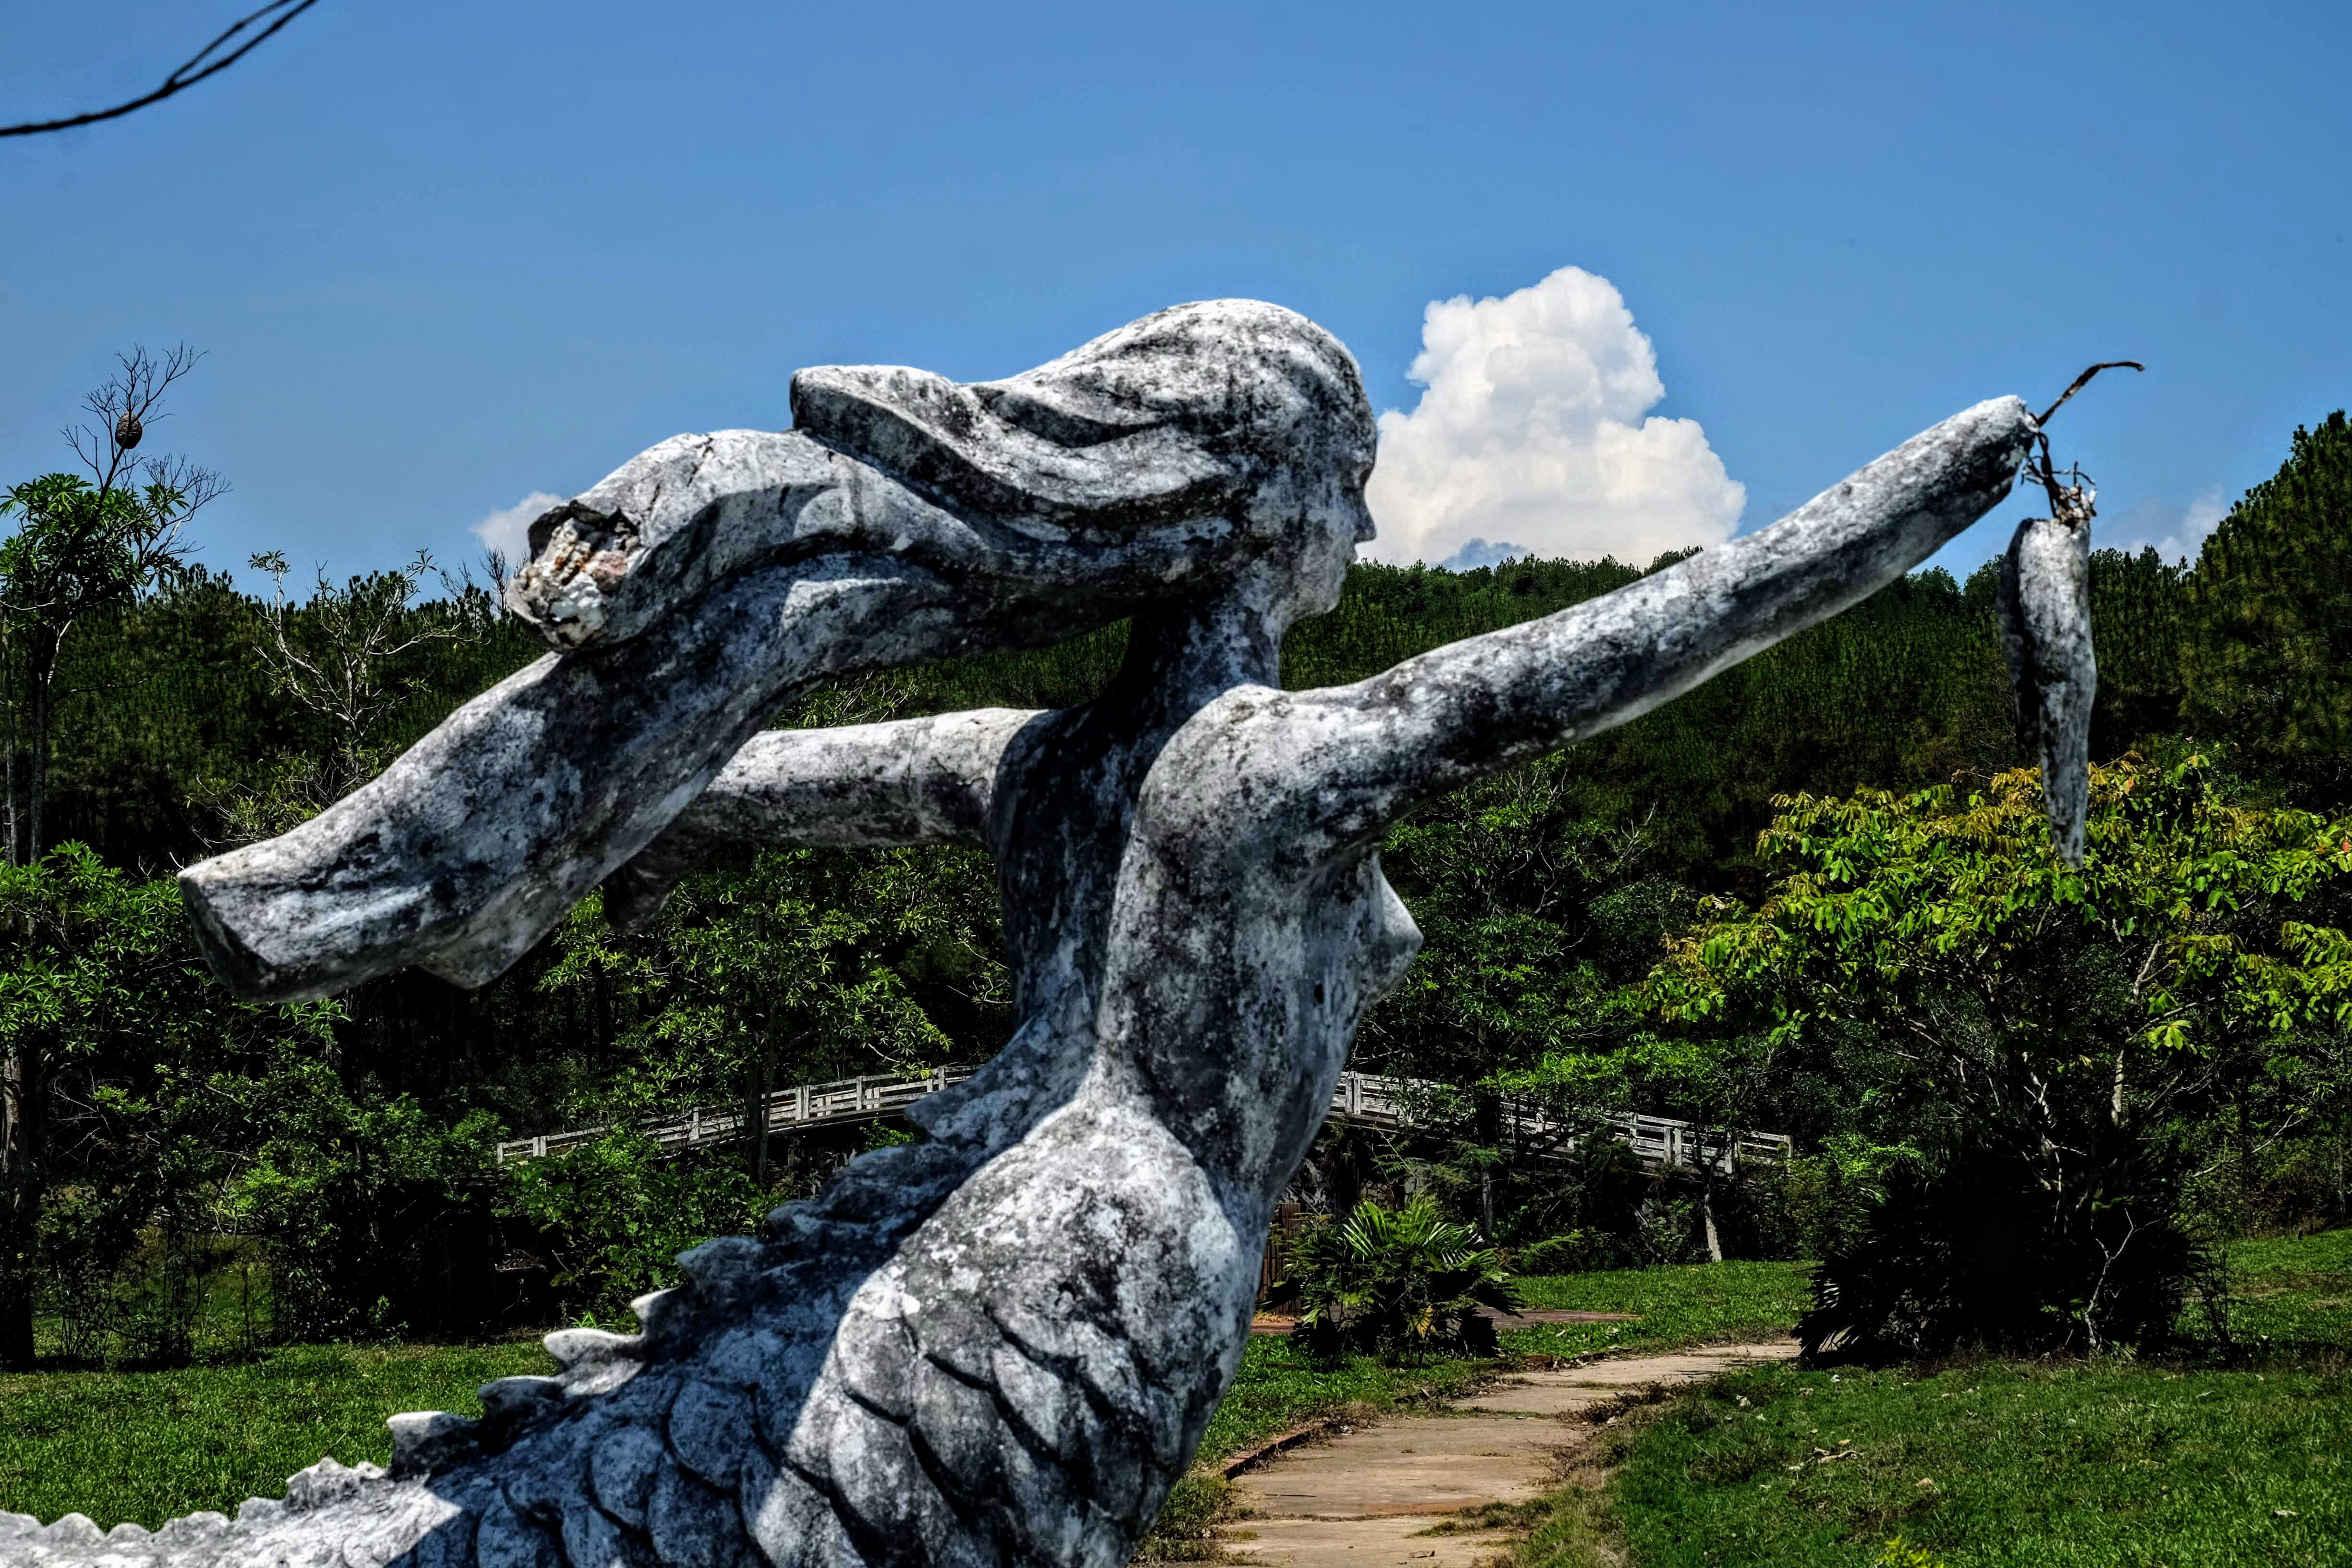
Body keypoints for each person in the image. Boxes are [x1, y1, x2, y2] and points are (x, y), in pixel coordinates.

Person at [125, 301, 2038, 1568]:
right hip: (1090, 1283)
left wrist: (516, 799)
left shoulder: (1036, 761)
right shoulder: (1276, 763)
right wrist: (1937, 486)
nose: (1363, 546)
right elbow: (1618, 654)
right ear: (1280, 513)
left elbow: (733, 793)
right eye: (1353, 501)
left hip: (1006, 1231)